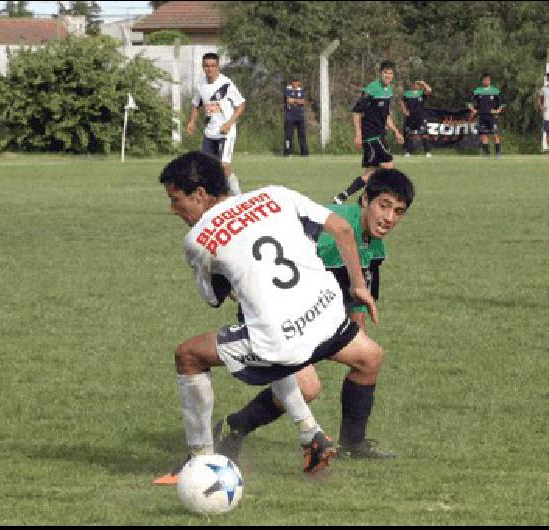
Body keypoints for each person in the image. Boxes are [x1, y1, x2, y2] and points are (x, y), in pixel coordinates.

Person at [152, 152, 385, 485]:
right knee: (267, 329)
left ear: (200, 194)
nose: (173, 210)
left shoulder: (198, 239)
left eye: (176, 201)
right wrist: (359, 288)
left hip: (282, 341)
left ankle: (200, 460)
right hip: (331, 319)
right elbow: (343, 228)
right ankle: (312, 435)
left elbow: (213, 298)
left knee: (189, 355)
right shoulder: (275, 194)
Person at [213, 168, 415, 462]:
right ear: (365, 200)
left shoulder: (373, 241)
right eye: (384, 206)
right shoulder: (329, 237)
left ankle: (353, 445)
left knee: (369, 357)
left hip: (310, 313)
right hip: (272, 312)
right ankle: (234, 427)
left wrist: (354, 334)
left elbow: (360, 293)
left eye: (399, 212)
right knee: (307, 388)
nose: (389, 218)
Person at [332, 61, 404, 204]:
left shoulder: (388, 90)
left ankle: (344, 197)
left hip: (378, 135)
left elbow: (386, 115)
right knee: (389, 169)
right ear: (380, 73)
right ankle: (369, 200)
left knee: (370, 174)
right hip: (372, 136)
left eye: (390, 73)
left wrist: (396, 131)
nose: (388, 76)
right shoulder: (371, 89)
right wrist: (358, 135)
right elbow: (357, 112)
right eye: (386, 73)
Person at [186, 53, 246, 195]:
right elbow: (196, 104)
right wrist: (192, 121)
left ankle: (238, 197)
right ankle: (217, 196)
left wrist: (229, 123)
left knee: (224, 166)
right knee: (206, 166)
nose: (209, 69)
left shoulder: (226, 83)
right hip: (210, 132)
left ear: (217, 66)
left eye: (213, 66)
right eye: (206, 66)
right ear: (203, 67)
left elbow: (241, 104)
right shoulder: (201, 85)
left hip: (225, 133)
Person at [468, 72, 506, 158]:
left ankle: (498, 153)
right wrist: (473, 109)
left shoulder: (495, 90)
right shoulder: (477, 91)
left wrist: (497, 110)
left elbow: (502, 103)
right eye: (485, 79)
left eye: (488, 79)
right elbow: (468, 102)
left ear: (490, 80)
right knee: (484, 135)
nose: (487, 81)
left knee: (495, 134)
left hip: (493, 117)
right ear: (482, 81)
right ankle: (486, 154)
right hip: (482, 116)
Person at [400, 80, 433, 158]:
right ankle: (407, 152)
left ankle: (427, 152)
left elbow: (429, 90)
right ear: (413, 85)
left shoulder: (422, 93)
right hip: (410, 117)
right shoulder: (407, 93)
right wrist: (404, 110)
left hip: (420, 117)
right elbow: (402, 102)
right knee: (409, 134)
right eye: (415, 84)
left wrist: (424, 83)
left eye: (418, 84)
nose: (416, 85)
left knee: (424, 134)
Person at [284, 77, 309, 156]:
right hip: (290, 116)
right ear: (292, 83)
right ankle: (288, 152)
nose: (295, 84)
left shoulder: (301, 90)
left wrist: (295, 101)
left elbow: (304, 102)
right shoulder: (288, 89)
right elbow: (289, 100)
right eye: (294, 82)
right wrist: (298, 101)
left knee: (302, 135)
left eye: (297, 82)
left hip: (300, 116)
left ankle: (304, 153)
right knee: (289, 135)